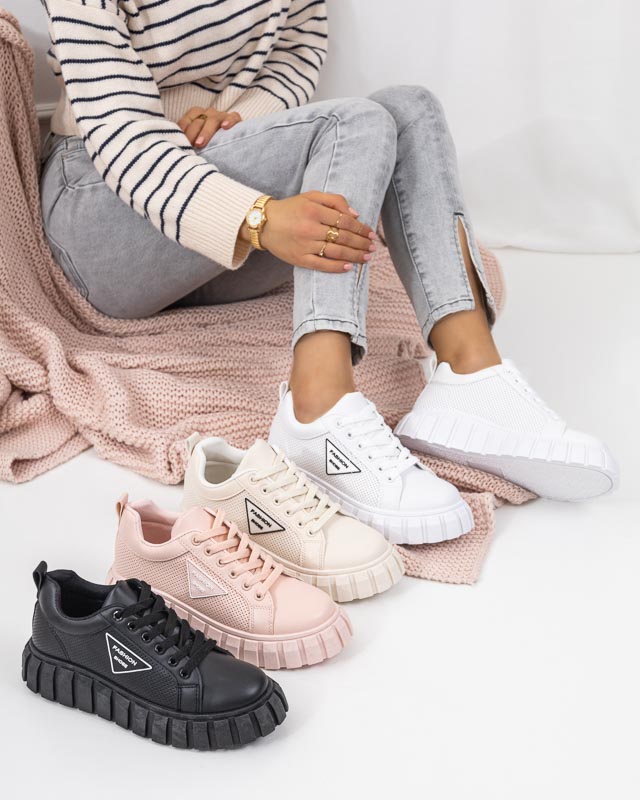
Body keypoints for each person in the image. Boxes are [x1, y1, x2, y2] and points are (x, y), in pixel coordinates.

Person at [39, 0, 617, 545]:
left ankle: (469, 376)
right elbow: (121, 132)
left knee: (409, 109)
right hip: (104, 216)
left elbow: (296, 46)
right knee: (356, 123)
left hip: (215, 212)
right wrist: (258, 218)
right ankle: (315, 410)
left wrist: (239, 123)